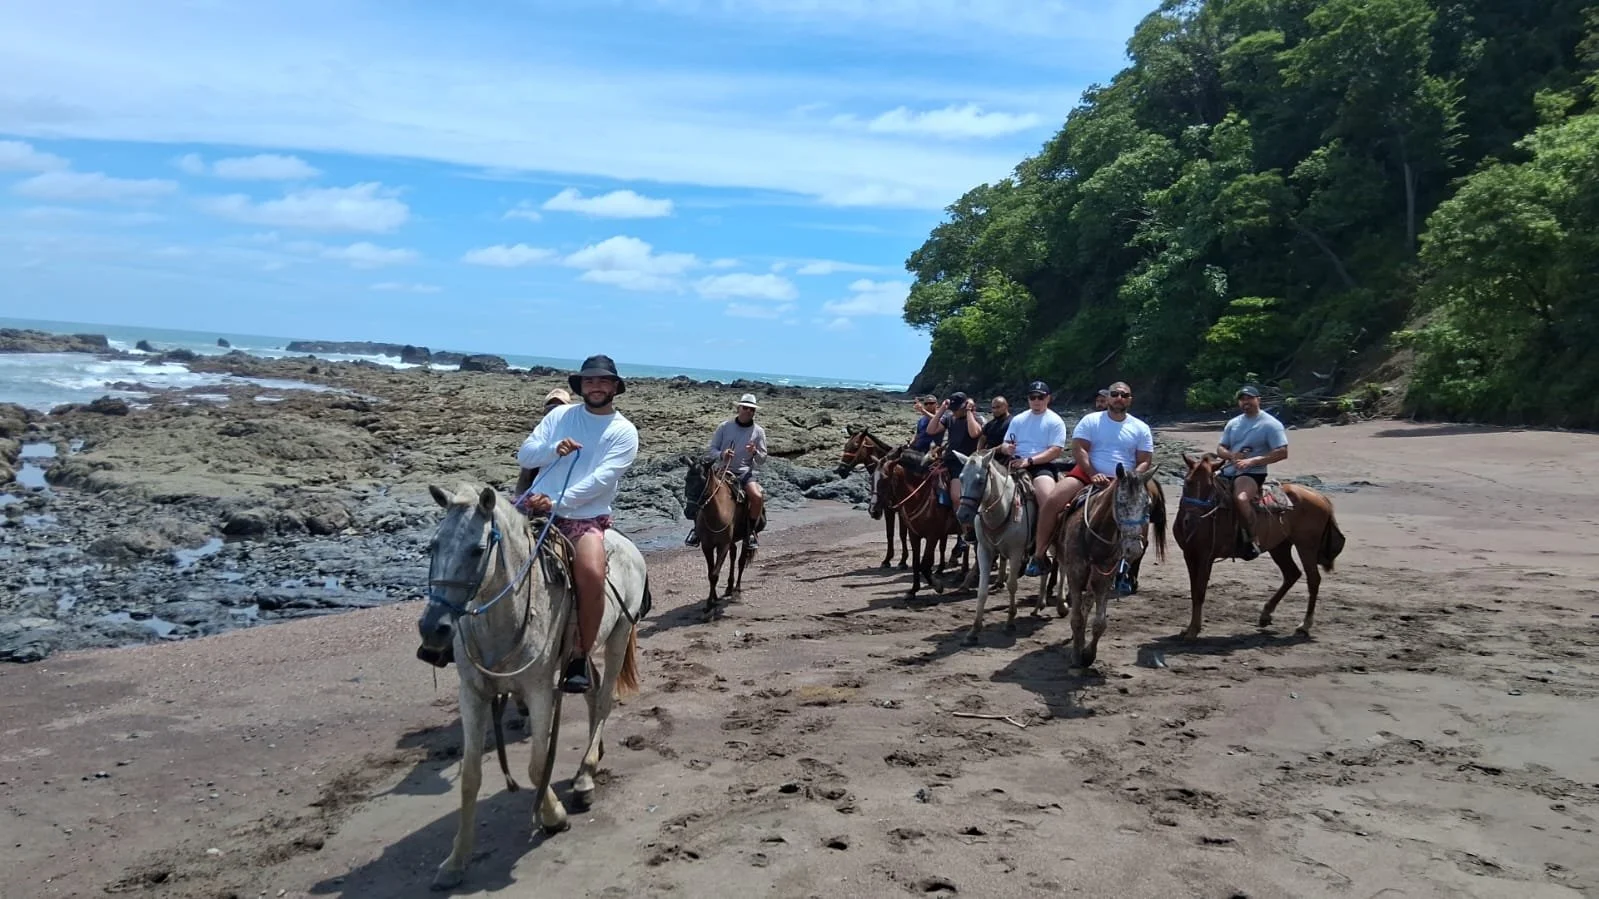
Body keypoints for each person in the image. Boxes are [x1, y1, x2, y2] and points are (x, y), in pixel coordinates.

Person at [514, 354, 639, 695]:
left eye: (602, 381)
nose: (595, 386)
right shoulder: (559, 415)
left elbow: (602, 480)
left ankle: (579, 657)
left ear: (614, 386)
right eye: (589, 381)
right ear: (581, 386)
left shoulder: (624, 431)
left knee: (592, 573)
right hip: (532, 507)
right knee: (478, 548)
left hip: (583, 517)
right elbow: (525, 455)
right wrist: (554, 449)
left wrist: (557, 502)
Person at [1028, 381, 1154, 577]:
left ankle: (1127, 568)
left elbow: (1144, 460)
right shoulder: (1091, 420)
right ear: (1109, 397)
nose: (1119, 398)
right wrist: (1093, 472)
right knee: (1052, 502)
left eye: (1124, 395)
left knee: (1141, 516)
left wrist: (1131, 479)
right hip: (1087, 474)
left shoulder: (1141, 427)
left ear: (1130, 400)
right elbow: (1079, 449)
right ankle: (1038, 556)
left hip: (1124, 480)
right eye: (1115, 394)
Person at [685, 392, 769, 551]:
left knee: (757, 497)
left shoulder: (758, 432)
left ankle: (750, 533)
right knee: (701, 492)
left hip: (744, 473)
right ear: (739, 408)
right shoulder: (724, 427)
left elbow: (762, 459)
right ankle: (696, 530)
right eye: (746, 408)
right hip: (722, 470)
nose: (749, 412)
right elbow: (711, 450)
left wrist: (754, 453)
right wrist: (722, 454)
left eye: (752, 410)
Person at [1216, 384, 1289, 560]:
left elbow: (1282, 452)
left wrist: (1253, 460)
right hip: (1230, 469)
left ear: (1258, 400)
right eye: (1242, 399)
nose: (1245, 402)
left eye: (1249, 398)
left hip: (1253, 473)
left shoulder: (1270, 424)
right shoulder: (1233, 423)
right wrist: (1231, 455)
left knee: (1240, 499)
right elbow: (1220, 448)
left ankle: (1252, 538)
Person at [998, 380, 1070, 557]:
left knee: (1048, 500)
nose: (1036, 401)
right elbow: (1006, 442)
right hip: (1014, 462)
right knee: (984, 487)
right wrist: (1007, 448)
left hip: (1040, 465)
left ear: (1048, 398)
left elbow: (1055, 450)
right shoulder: (1019, 419)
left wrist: (1029, 461)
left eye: (1040, 397)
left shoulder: (1055, 421)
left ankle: (1047, 544)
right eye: (1032, 397)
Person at [926, 391, 984, 556]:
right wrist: (942, 410)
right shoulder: (949, 418)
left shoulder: (975, 418)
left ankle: (964, 532)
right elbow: (932, 429)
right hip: (948, 460)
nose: (954, 412)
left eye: (956, 408)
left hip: (964, 463)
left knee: (956, 496)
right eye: (953, 409)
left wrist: (969, 413)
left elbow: (974, 433)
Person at [514, 388, 573, 498]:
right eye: (551, 407)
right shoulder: (539, 435)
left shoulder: (575, 434)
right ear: (545, 411)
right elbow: (526, 473)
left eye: (560, 408)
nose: (555, 411)